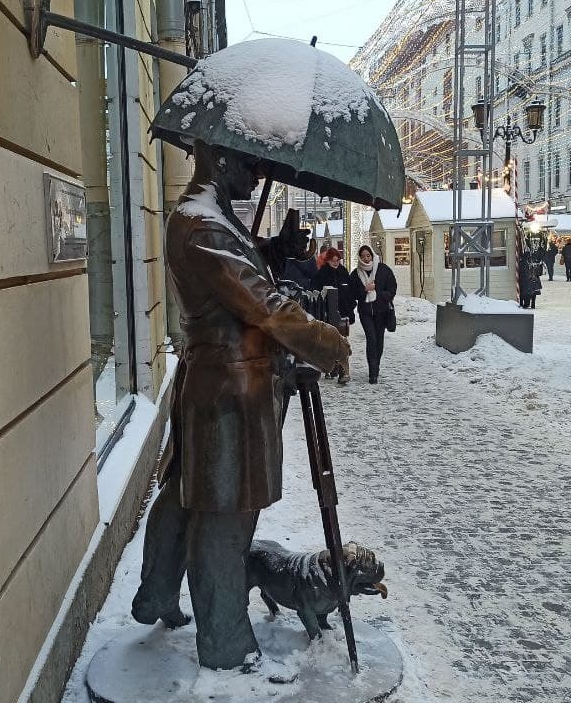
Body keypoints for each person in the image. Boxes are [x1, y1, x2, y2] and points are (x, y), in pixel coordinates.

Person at [132, 141, 350, 670]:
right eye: (249, 163)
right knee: (226, 520)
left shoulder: (210, 220)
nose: (257, 174)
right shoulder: (203, 225)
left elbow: (243, 289)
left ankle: (157, 594)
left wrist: (269, 253)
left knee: (186, 499)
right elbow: (262, 305)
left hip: (221, 388)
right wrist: (325, 342)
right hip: (229, 395)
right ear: (221, 161)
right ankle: (226, 645)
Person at [347, 245, 398, 384]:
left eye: (368, 255)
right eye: (363, 256)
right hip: (366, 312)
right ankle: (372, 373)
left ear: (372, 256)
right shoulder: (355, 273)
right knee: (371, 339)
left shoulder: (383, 270)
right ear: (360, 257)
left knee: (379, 340)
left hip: (381, 311)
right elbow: (351, 293)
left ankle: (376, 367)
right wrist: (365, 290)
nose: (366, 258)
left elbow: (392, 288)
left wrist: (380, 294)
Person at [311, 247, 354, 384]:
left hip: (342, 313)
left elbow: (349, 292)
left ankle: (342, 371)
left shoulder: (343, 272)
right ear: (328, 260)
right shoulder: (321, 274)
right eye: (333, 260)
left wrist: (351, 306)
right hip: (327, 315)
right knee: (330, 343)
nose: (336, 263)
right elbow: (315, 293)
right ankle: (332, 367)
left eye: (337, 260)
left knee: (342, 342)